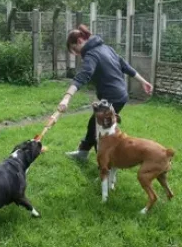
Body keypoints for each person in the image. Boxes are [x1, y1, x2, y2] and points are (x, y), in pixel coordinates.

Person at [58, 24, 153, 160]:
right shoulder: (106, 48)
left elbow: (83, 76)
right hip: (120, 95)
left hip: (113, 97)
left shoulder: (91, 54)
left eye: (75, 49)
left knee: (100, 131)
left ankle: (105, 167)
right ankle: (83, 153)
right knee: (95, 124)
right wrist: (143, 81)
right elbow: (125, 66)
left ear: (79, 41)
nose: (78, 53)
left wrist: (66, 98)